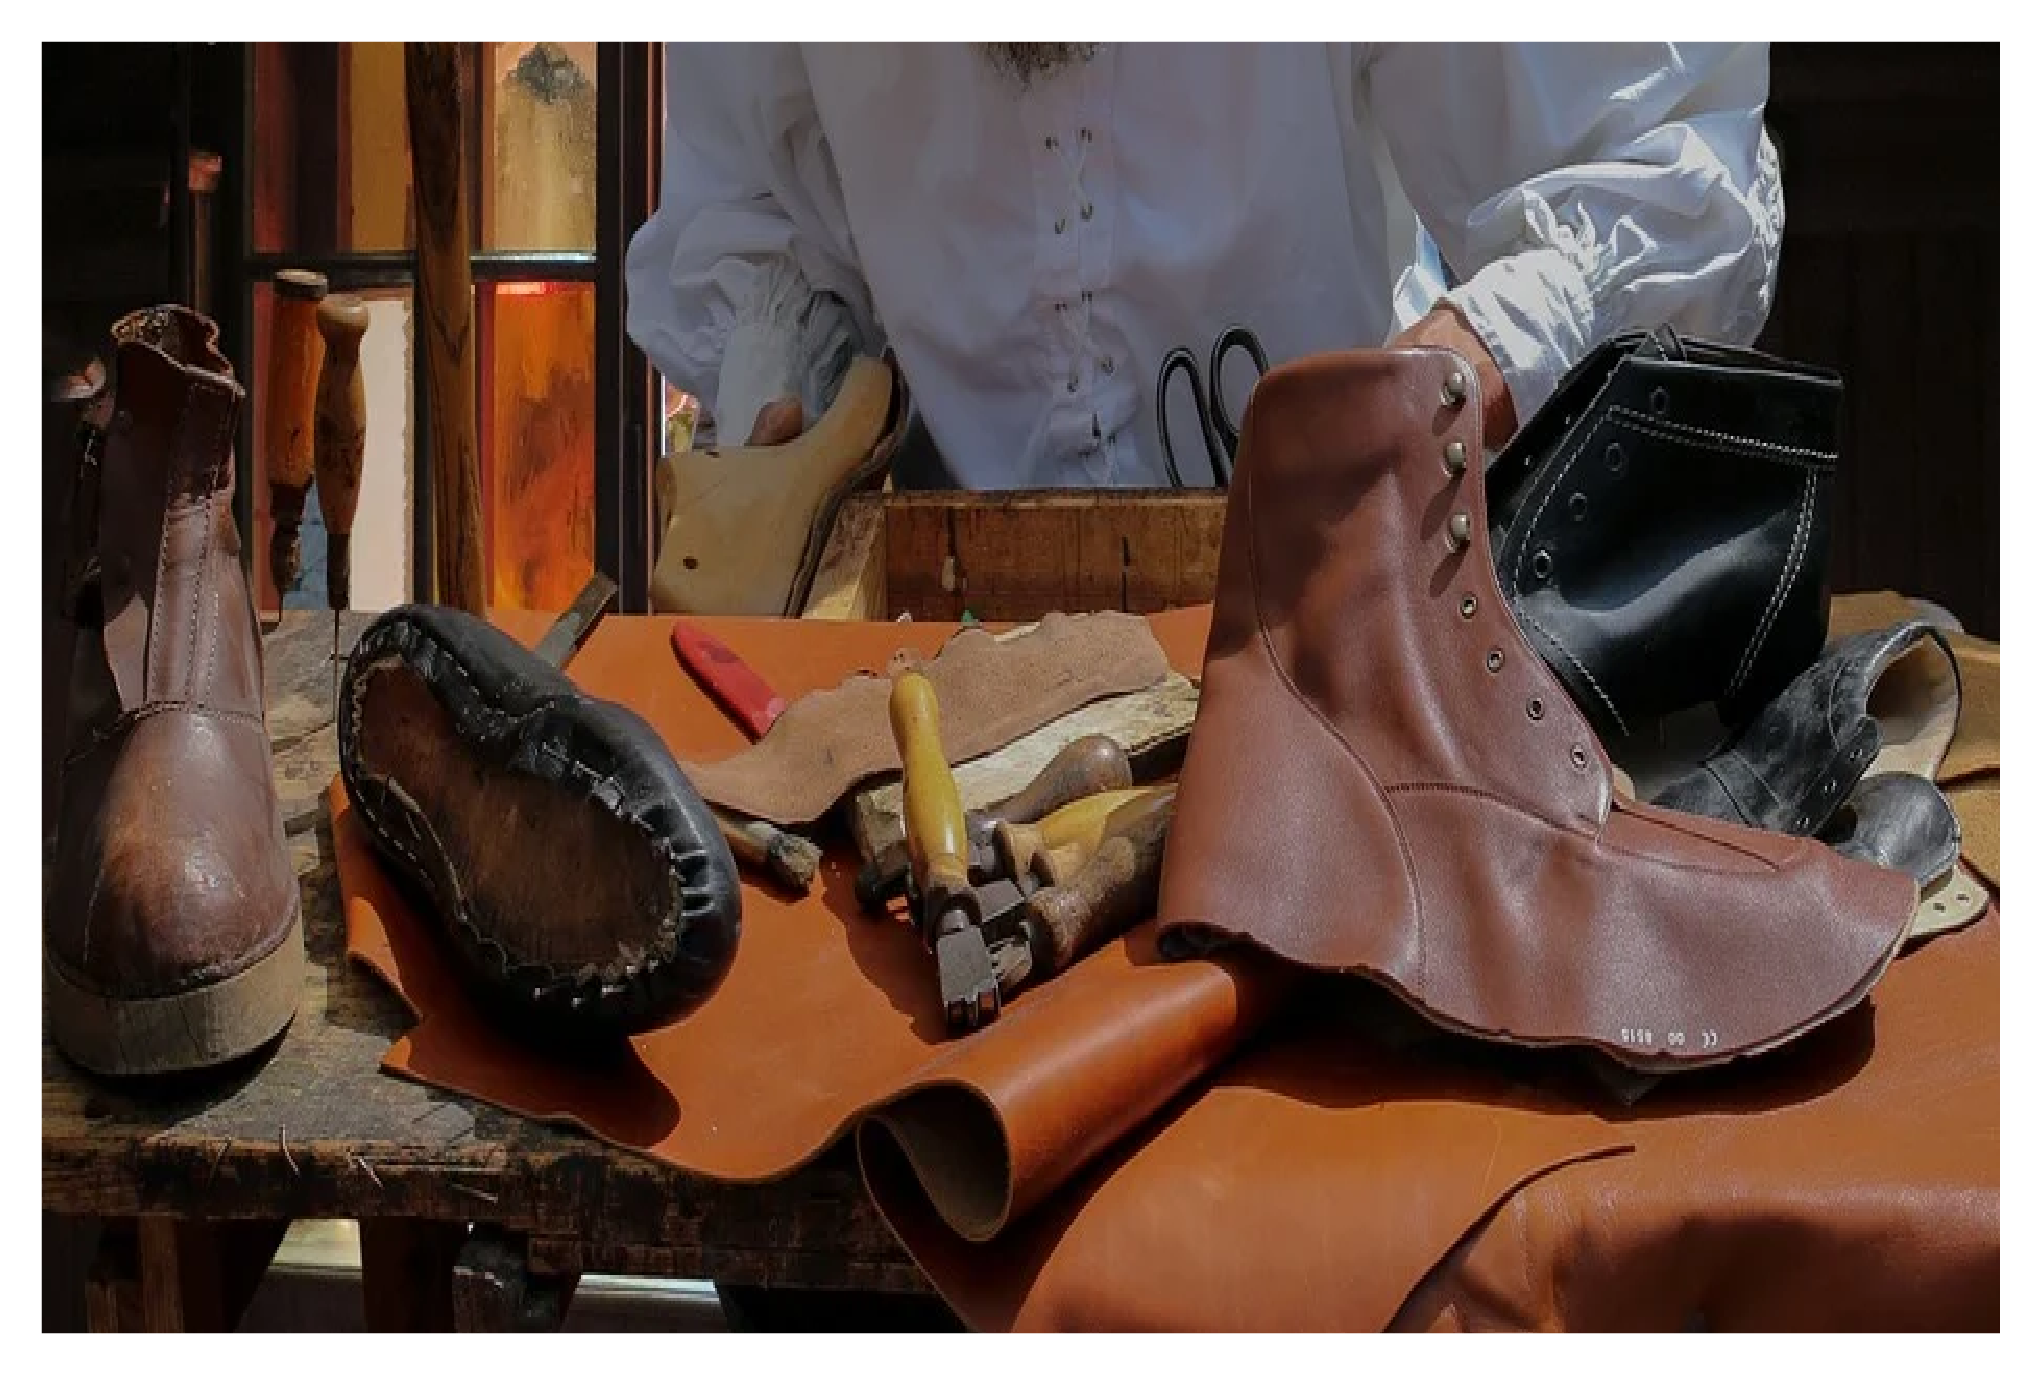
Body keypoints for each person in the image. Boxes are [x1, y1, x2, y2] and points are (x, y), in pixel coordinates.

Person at [626, 41, 1782, 487]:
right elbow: (760, 227)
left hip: (1338, 611)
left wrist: (1454, 377)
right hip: (926, 647)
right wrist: (782, 415)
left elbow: (1659, 172)